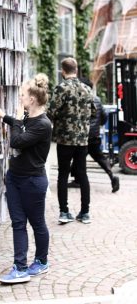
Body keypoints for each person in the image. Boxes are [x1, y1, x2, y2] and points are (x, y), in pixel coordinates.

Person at [0, 74, 52, 284]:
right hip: (14, 178)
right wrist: (4, 116)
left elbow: (16, 141)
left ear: (32, 99)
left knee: (37, 223)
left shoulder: (43, 124)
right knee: (18, 223)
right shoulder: (26, 117)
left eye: (23, 95)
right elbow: (20, 125)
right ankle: (20, 267)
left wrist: (13, 116)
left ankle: (41, 261)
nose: (20, 98)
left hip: (33, 181)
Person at [47, 58, 96, 225]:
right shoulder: (87, 89)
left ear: (63, 71)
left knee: (63, 174)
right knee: (82, 174)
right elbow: (94, 113)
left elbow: (50, 112)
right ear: (76, 69)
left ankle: (64, 211)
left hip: (64, 139)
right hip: (82, 140)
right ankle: (85, 212)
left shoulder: (61, 88)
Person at [68, 78, 120, 193]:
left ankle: (78, 181)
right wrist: (98, 126)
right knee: (100, 158)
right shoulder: (97, 100)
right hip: (95, 137)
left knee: (78, 158)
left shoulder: (80, 100)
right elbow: (104, 116)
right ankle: (112, 177)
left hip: (83, 136)